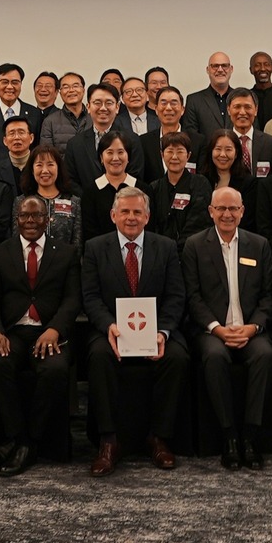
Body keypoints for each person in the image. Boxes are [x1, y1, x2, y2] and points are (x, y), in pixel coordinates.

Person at [81, 186, 189, 475]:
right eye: (125, 211)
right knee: (99, 355)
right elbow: (90, 297)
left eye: (137, 212)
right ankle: (108, 441)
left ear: (147, 217)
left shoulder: (166, 247)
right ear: (113, 215)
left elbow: (176, 296)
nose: (131, 217)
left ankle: (159, 438)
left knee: (177, 357)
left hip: (156, 330)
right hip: (111, 329)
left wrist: (162, 332)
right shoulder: (94, 248)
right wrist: (109, 326)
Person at [0, 197, 80, 476]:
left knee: (55, 369)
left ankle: (27, 441)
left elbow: (72, 300)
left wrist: (55, 329)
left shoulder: (67, 253)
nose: (31, 221)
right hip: (11, 331)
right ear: (17, 220)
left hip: (49, 332)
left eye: (37, 216)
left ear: (48, 220)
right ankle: (21, 437)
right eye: (25, 216)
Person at [181, 186, 272, 470]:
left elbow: (268, 296)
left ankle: (250, 435)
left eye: (233, 208)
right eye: (221, 208)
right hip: (212, 330)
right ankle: (229, 436)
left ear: (242, 211)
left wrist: (253, 327)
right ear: (211, 211)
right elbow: (192, 297)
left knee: (265, 355)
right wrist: (216, 328)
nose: (227, 214)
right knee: (214, 356)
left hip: (250, 329)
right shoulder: (195, 245)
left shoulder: (259, 245)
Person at [79, 130, 143, 244]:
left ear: (128, 156)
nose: (115, 158)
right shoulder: (90, 193)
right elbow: (89, 235)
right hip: (101, 252)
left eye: (120, 152)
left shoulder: (142, 190)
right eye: (109, 152)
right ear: (101, 158)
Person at [150, 133, 213, 248]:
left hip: (192, 250)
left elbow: (199, 222)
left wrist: (177, 248)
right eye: (170, 151)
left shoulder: (200, 183)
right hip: (161, 251)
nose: (174, 157)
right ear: (162, 155)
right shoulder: (154, 187)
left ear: (188, 155)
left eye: (180, 151)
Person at [20, 145, 80, 248]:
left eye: (50, 164)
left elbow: (77, 244)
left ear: (58, 168)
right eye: (39, 165)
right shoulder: (22, 201)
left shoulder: (73, 202)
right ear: (32, 170)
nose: (45, 170)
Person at [183, 51, 236, 137]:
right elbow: (191, 135)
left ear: (231, 69)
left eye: (224, 65)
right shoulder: (194, 101)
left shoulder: (242, 99)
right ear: (208, 70)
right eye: (215, 66)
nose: (220, 70)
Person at [37, 72, 89, 152]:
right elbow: (47, 155)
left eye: (75, 86)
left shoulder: (95, 118)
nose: (71, 90)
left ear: (83, 90)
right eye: (65, 87)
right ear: (60, 92)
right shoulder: (50, 122)